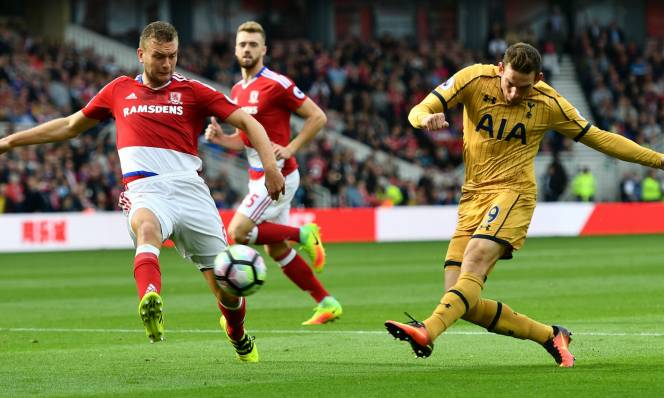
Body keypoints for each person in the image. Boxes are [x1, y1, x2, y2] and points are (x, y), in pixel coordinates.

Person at [0, 21, 285, 363]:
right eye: (159, 57)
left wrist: (270, 166)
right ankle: (150, 297)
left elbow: (249, 122)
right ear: (141, 55)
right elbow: (70, 125)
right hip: (144, 188)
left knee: (227, 283)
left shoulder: (193, 91)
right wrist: (10, 141)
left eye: (173, 56)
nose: (167, 64)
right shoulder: (118, 90)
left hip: (191, 191)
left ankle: (236, 332)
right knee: (146, 229)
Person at [385, 42, 664, 367]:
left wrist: (659, 161)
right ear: (500, 69)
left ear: (539, 78)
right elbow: (418, 109)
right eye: (510, 84)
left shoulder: (548, 102)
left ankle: (426, 331)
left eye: (524, 87)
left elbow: (600, 137)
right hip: (472, 197)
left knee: (474, 259)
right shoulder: (473, 79)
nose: (515, 93)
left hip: (513, 193)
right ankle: (551, 335)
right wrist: (424, 120)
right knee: (463, 301)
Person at [204, 21, 342, 325]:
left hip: (277, 173)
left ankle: (304, 234)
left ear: (264, 49)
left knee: (237, 232)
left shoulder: (276, 83)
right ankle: (327, 302)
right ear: (235, 49)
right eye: (242, 44)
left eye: (253, 44)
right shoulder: (238, 89)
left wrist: (291, 148)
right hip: (257, 174)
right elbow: (246, 140)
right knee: (276, 248)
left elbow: (317, 117)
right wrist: (220, 138)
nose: (247, 49)